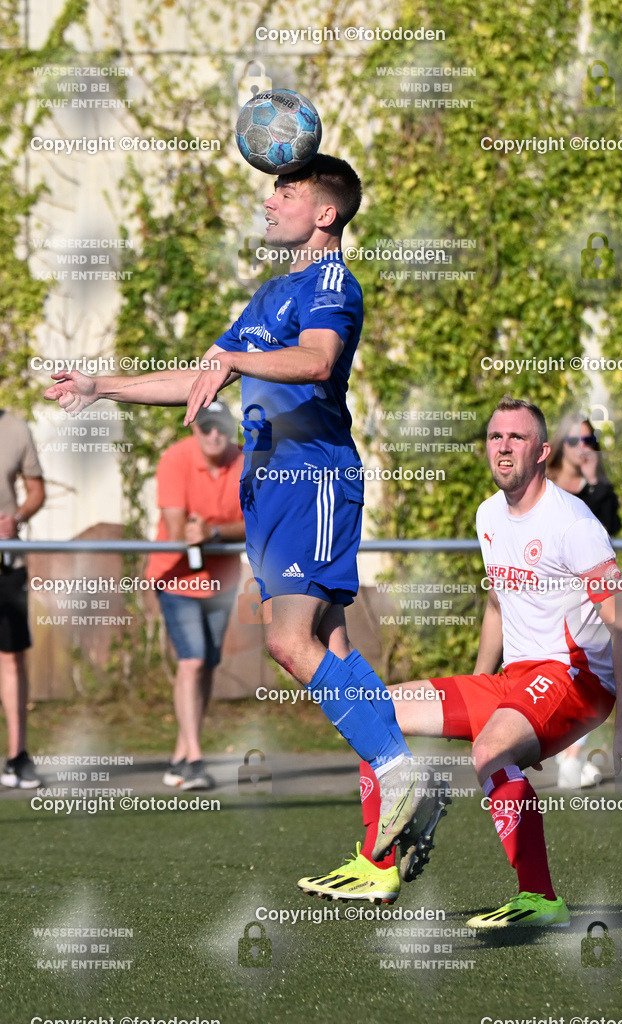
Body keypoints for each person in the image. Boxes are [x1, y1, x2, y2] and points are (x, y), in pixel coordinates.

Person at [44, 153, 443, 859]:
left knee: (291, 645)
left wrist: (234, 363)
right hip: (272, 492)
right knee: (334, 650)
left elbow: (316, 359)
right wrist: (102, 385)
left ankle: (400, 772)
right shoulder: (269, 293)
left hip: (311, 480)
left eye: (285, 191)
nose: (269, 201)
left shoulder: (329, 282)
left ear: (325, 213)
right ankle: (387, 833)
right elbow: (201, 377)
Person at [298, 397, 622, 927]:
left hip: (578, 679)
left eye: (517, 437)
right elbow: (496, 602)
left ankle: (541, 899)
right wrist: (486, 687)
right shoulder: (489, 513)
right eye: (495, 437)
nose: (503, 446)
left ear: (541, 452)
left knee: (488, 751)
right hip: (518, 677)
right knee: (375, 714)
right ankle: (377, 866)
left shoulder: (573, 522)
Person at [145, 400, 245, 790]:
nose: (214, 434)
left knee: (206, 664)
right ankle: (196, 760)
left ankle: (181, 754)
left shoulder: (245, 462)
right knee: (193, 660)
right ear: (195, 430)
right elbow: (175, 532)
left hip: (222, 581)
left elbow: (255, 524)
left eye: (220, 426)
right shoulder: (174, 459)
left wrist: (214, 533)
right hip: (176, 577)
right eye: (206, 427)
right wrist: (196, 535)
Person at [547, 414, 621, 787]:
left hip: (589, 598)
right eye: (575, 440)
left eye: (590, 440)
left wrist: (594, 482)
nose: (583, 448)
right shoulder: (544, 485)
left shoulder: (597, 488)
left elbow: (609, 530)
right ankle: (561, 754)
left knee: (597, 673)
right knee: (557, 674)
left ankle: (571, 758)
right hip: (550, 596)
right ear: (561, 443)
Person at [0, 409, 46, 789]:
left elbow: (35, 491)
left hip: (6, 563)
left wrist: (17, 517)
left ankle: (17, 756)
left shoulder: (15, 429)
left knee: (12, 658)